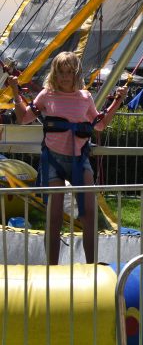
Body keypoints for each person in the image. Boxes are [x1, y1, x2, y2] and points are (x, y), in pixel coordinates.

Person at [8, 52, 127, 264]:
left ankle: (92, 266)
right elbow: (23, 118)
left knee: (88, 216)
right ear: (55, 73)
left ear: (76, 74)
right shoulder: (47, 95)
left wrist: (118, 100)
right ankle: (52, 267)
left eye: (69, 73)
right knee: (54, 218)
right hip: (53, 161)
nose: (65, 77)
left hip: (79, 161)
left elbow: (99, 124)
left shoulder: (85, 97)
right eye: (61, 73)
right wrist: (16, 92)